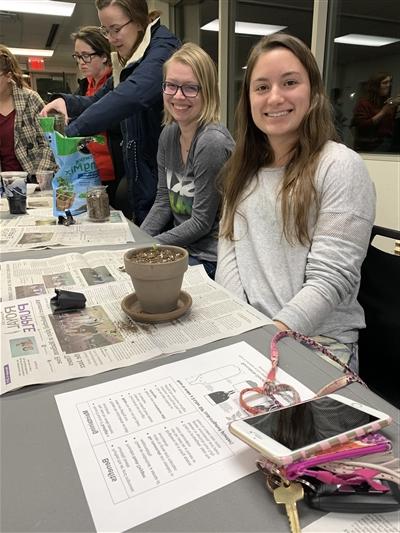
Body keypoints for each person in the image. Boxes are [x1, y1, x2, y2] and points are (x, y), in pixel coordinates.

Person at [215, 33, 376, 372]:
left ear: (313, 92)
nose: (275, 97)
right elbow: (229, 253)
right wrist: (239, 327)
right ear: (248, 100)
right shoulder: (241, 171)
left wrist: (267, 339)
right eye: (261, 87)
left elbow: (330, 279)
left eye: (289, 82)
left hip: (318, 346)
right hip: (251, 333)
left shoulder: (340, 166)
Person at [40, 0, 180, 223]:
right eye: (106, 31)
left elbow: (134, 94)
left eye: (116, 29)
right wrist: (66, 102)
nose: (111, 39)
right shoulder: (129, 58)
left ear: (139, 20)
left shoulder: (163, 49)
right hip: (141, 173)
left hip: (168, 177)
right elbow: (98, 99)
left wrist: (73, 130)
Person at [140, 43, 235, 279]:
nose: (178, 96)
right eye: (171, 86)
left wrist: (148, 247)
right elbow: (163, 200)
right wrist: (137, 240)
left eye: (191, 88)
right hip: (184, 249)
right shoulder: (169, 134)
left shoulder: (211, 142)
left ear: (208, 93)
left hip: (211, 258)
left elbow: (201, 222)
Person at [71, 25, 120, 206]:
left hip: (113, 175)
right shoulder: (84, 87)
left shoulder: (118, 84)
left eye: (87, 55)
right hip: (87, 173)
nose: (81, 62)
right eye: (77, 56)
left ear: (105, 55)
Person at [0, 45, 55, 174]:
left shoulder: (30, 99)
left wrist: (40, 176)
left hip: (33, 179)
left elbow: (49, 141)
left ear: (9, 76)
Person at [351, 72, 399, 152]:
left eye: (389, 82)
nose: (388, 85)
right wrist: (383, 112)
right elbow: (362, 126)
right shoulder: (364, 104)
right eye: (385, 83)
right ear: (376, 86)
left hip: (388, 143)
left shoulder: (386, 103)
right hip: (371, 146)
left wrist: (396, 107)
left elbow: (390, 127)